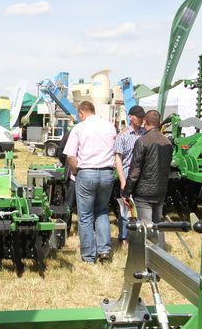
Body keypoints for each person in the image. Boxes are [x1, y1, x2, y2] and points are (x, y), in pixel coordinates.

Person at [62, 101, 117, 263]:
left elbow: (71, 156)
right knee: (101, 211)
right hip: (107, 173)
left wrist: (75, 172)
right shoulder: (109, 126)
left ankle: (88, 255)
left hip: (86, 172)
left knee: (85, 215)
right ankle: (105, 250)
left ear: (81, 113)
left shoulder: (79, 128)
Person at [122, 110, 173, 246]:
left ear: (145, 122)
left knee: (146, 227)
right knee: (158, 225)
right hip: (160, 190)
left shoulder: (142, 141)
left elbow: (135, 170)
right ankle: (161, 253)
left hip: (144, 191)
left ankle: (148, 259)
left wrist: (126, 192)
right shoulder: (167, 142)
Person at [114, 106, 146, 247]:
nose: (140, 119)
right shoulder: (123, 136)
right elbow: (118, 159)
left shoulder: (145, 134)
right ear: (130, 117)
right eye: (137, 116)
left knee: (140, 209)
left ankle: (139, 238)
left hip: (143, 178)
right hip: (127, 177)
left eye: (141, 117)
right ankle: (124, 238)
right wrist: (122, 180)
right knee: (126, 210)